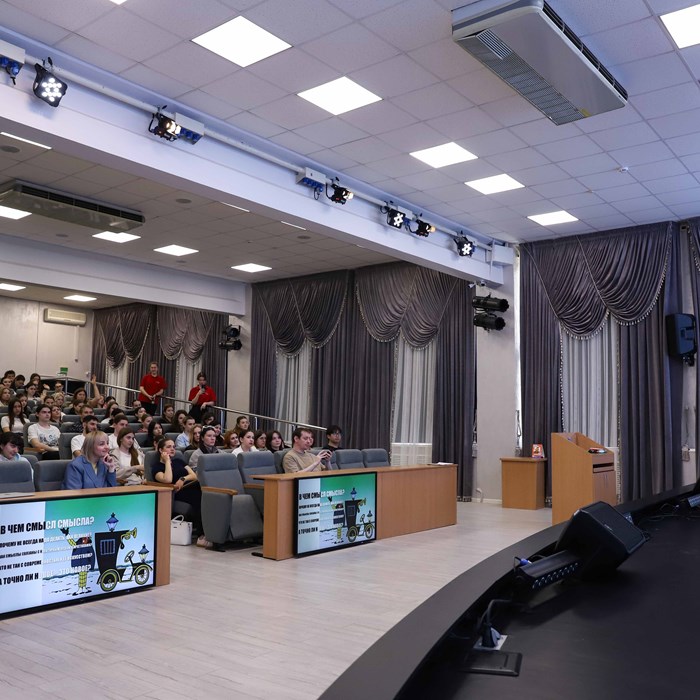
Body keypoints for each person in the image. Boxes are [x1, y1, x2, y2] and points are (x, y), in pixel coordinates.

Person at [152, 437, 206, 546]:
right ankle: (201, 535)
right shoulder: (157, 467)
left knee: (208, 495)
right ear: (161, 450)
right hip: (176, 493)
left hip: (191, 486)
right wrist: (167, 461)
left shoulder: (179, 461)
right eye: (168, 447)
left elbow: (194, 475)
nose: (172, 449)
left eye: (173, 447)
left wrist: (183, 479)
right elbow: (168, 479)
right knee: (199, 498)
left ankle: (212, 533)